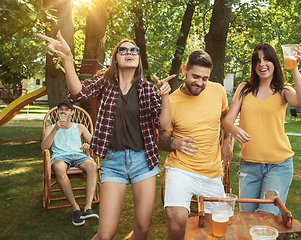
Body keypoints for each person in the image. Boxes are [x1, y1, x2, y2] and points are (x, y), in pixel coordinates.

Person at [37, 30, 174, 240]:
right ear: (116, 59)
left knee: (142, 231)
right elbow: (77, 92)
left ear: (138, 58)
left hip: (143, 162)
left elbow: (164, 124)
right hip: (113, 162)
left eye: (134, 50)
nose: (129, 52)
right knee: (105, 234)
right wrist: (67, 58)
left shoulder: (147, 89)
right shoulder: (104, 82)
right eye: (123, 50)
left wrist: (165, 96)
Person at [223, 43, 301, 215]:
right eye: (258, 61)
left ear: (275, 63)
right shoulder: (243, 89)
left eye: (267, 59)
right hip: (249, 166)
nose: (262, 64)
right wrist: (234, 130)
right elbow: (227, 121)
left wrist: (294, 68)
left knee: (266, 219)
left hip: (278, 166)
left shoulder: (283, 91)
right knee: (247, 219)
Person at [158, 50, 233, 240]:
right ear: (185, 70)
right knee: (177, 222)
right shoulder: (171, 101)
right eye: (195, 76)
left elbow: (227, 118)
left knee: (214, 230)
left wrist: (226, 142)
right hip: (181, 169)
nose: (200, 82)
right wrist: (175, 142)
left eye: (205, 78)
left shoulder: (218, 91)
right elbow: (161, 140)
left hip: (212, 173)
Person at [41, 100, 99, 227]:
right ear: (57, 112)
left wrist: (88, 145)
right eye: (60, 109)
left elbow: (96, 145)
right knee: (59, 167)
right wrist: (55, 129)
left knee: (93, 166)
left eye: (66, 109)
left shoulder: (80, 127)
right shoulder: (50, 128)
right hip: (60, 157)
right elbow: (44, 147)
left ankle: (87, 209)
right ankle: (75, 208)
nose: (63, 111)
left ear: (72, 112)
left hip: (78, 155)